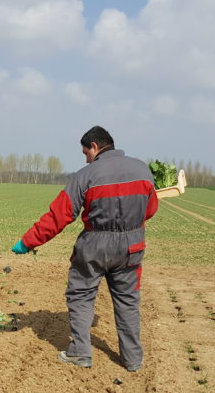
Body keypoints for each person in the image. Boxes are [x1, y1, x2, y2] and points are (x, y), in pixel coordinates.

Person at [11, 126, 158, 372]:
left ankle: (80, 352)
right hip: (132, 245)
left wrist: (29, 241)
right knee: (128, 301)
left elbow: (60, 215)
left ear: (95, 147)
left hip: (95, 245)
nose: (85, 158)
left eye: (85, 153)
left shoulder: (86, 175)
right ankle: (133, 359)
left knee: (81, 294)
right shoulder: (142, 169)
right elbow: (151, 209)